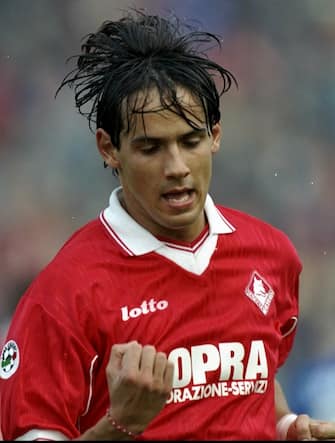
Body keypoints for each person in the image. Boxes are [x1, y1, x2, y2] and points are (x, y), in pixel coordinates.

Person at [0, 9, 334, 441]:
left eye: (190, 141)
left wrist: (286, 427)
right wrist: (121, 426)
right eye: (150, 147)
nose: (176, 167)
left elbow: (256, 379)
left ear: (215, 135)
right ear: (109, 149)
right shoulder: (64, 294)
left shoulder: (270, 254)